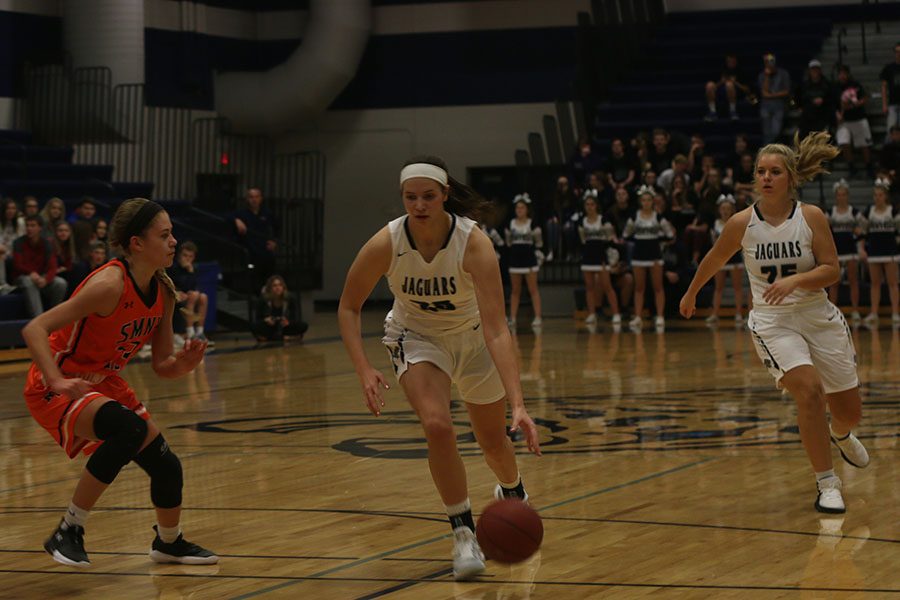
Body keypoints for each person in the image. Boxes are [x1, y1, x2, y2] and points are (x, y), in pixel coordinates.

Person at [337, 155, 541, 581]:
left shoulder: (474, 242)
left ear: (445, 195)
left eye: (429, 196)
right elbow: (348, 306)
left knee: (492, 443)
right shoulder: (387, 242)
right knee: (437, 426)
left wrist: (519, 403)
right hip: (417, 338)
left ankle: (513, 488)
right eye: (411, 197)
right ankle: (463, 532)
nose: (420, 205)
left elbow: (498, 329)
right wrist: (363, 369)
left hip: (474, 338)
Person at [680, 131, 869, 514]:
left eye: (775, 171)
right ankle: (827, 484)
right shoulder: (741, 223)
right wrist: (691, 292)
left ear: (791, 178)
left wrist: (797, 280)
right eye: (761, 171)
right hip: (773, 322)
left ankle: (841, 431)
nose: (766, 178)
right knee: (810, 391)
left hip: (818, 316)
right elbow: (715, 259)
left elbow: (832, 270)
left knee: (849, 410)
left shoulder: (810, 217)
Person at [21, 198, 217, 567]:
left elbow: (162, 366)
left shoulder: (163, 293)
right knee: (127, 429)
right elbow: (35, 328)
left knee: (167, 466)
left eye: (173, 233)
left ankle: (169, 542)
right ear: (137, 243)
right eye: (165, 234)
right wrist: (56, 379)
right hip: (58, 383)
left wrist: (186, 364)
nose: (174, 241)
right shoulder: (108, 284)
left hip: (104, 383)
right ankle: (69, 528)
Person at [624, 186, 675, 331]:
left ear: (653, 201)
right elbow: (626, 235)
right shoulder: (634, 217)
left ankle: (660, 316)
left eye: (649, 200)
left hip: (654, 255)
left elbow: (670, 234)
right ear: (640, 201)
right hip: (639, 255)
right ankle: (638, 316)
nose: (646, 203)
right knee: (639, 288)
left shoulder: (658, 217)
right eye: (643, 200)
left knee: (658, 287)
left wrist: (660, 240)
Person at [579, 191, 622, 327]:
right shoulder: (582, 222)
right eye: (587, 204)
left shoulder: (603, 220)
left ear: (596, 206)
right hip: (587, 256)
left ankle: (616, 313)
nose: (590, 207)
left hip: (601, 256)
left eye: (592, 204)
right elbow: (582, 240)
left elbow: (610, 240)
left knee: (607, 286)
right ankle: (592, 314)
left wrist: (610, 258)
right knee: (589, 287)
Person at [827, 180, 867, 324]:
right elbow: (825, 232)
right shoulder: (830, 212)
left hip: (851, 251)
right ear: (836, 196)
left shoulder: (854, 212)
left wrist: (861, 246)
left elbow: (863, 231)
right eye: (839, 195)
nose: (841, 197)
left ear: (847, 196)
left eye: (844, 194)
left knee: (853, 280)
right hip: (836, 252)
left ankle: (855, 310)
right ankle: (833, 312)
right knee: (833, 282)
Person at [862, 179, 900, 328]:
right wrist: (862, 249)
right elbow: (861, 232)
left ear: (886, 196)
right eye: (875, 195)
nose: (878, 198)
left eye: (880, 195)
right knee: (875, 284)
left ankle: (896, 313)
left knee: (893, 283)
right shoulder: (868, 212)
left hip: (890, 252)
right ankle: (874, 313)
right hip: (874, 252)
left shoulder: (893, 211)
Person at [11, 215, 67, 316]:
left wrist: (46, 279)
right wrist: (31, 273)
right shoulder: (18, 242)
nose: (29, 228)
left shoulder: (47, 244)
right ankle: (38, 318)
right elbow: (17, 265)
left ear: (40, 228)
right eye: (27, 225)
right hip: (22, 277)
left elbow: (53, 267)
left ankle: (53, 316)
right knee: (28, 281)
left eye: (33, 226)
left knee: (60, 283)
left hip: (41, 277)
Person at [705, 195, 746, 327]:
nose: (725, 211)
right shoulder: (715, 224)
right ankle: (715, 314)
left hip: (734, 258)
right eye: (723, 208)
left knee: (737, 287)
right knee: (718, 287)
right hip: (720, 260)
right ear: (719, 210)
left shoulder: (737, 222)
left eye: (728, 208)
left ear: (732, 209)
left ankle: (739, 314)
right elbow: (713, 243)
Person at [505, 194, 543, 328]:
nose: (519, 210)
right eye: (517, 208)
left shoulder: (532, 224)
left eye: (522, 207)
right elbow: (508, 242)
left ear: (527, 209)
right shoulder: (510, 224)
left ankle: (538, 317)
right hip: (515, 259)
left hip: (529, 259)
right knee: (515, 290)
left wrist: (538, 257)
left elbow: (539, 243)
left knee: (533, 289)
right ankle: (513, 318)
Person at [233, 187, 277, 290]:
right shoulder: (242, 213)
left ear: (261, 198)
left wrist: (274, 241)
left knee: (269, 281)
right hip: (251, 253)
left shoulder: (267, 213)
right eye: (251, 197)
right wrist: (236, 220)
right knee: (253, 281)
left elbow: (277, 226)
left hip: (266, 252)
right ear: (247, 199)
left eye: (257, 197)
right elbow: (227, 217)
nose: (254, 199)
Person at [835, 65, 874, 179]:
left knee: (864, 144)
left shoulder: (855, 85)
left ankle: (869, 167)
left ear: (848, 74)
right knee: (843, 142)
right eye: (840, 73)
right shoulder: (835, 88)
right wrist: (837, 114)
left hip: (858, 118)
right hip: (844, 121)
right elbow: (833, 104)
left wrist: (857, 103)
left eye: (844, 73)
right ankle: (852, 167)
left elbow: (865, 97)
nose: (842, 76)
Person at [168, 241, 210, 343]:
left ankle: (200, 332)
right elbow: (179, 285)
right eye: (185, 255)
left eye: (190, 256)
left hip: (189, 297)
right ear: (179, 255)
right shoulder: (173, 267)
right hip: (176, 296)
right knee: (194, 295)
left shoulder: (192, 269)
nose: (187, 259)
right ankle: (190, 332)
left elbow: (193, 286)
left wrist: (190, 272)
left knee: (203, 297)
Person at [252, 274, 308, 342]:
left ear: (283, 287)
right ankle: (285, 338)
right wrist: (266, 320)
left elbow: (295, 317)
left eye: (280, 285)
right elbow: (257, 319)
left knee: (303, 325)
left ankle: (270, 338)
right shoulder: (263, 300)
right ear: (270, 288)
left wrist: (288, 322)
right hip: (270, 326)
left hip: (284, 326)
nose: (278, 288)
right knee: (253, 326)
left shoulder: (290, 298)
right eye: (274, 285)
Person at [704, 53, 752, 121]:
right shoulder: (722, 70)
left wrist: (735, 83)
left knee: (729, 84)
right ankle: (712, 112)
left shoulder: (741, 72)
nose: (731, 63)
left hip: (737, 94)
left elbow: (747, 90)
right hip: (721, 94)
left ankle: (733, 111)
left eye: (732, 61)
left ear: (736, 61)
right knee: (709, 85)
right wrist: (721, 82)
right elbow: (714, 86)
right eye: (729, 61)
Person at [758, 53, 792, 145]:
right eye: (766, 62)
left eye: (770, 61)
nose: (769, 64)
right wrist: (767, 76)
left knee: (776, 131)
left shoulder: (783, 74)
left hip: (779, 106)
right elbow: (764, 93)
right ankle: (768, 149)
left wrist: (772, 95)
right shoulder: (762, 76)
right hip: (765, 106)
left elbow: (786, 91)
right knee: (766, 132)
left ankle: (772, 147)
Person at [798, 60, 835, 139]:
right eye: (812, 69)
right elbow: (798, 98)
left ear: (820, 70)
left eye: (816, 69)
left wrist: (823, 100)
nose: (815, 71)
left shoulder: (827, 84)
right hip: (807, 118)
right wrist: (801, 107)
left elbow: (832, 99)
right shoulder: (804, 85)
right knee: (805, 139)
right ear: (809, 71)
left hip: (823, 117)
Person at [0, 198, 24, 294]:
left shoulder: (20, 223)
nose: (11, 211)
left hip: (15, 253)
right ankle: (2, 284)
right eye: (8, 208)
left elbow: (22, 241)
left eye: (13, 208)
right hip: (2, 254)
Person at [880, 42, 900, 143]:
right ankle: (888, 154)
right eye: (897, 51)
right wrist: (884, 104)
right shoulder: (889, 68)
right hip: (892, 103)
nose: (899, 54)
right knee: (890, 129)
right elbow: (884, 87)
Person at [52, 221, 78, 295]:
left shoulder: (68, 246)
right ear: (55, 232)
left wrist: (64, 268)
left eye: (66, 231)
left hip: (61, 273)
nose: (63, 233)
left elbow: (69, 264)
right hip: (50, 275)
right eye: (60, 230)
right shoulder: (50, 244)